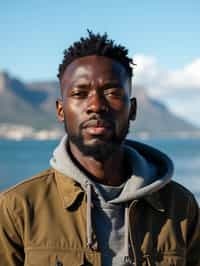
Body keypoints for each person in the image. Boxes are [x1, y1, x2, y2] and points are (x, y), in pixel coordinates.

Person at [0, 31, 199, 266]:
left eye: (112, 92)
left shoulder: (181, 207)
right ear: (61, 110)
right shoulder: (17, 208)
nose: (96, 105)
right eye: (79, 94)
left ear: (132, 109)